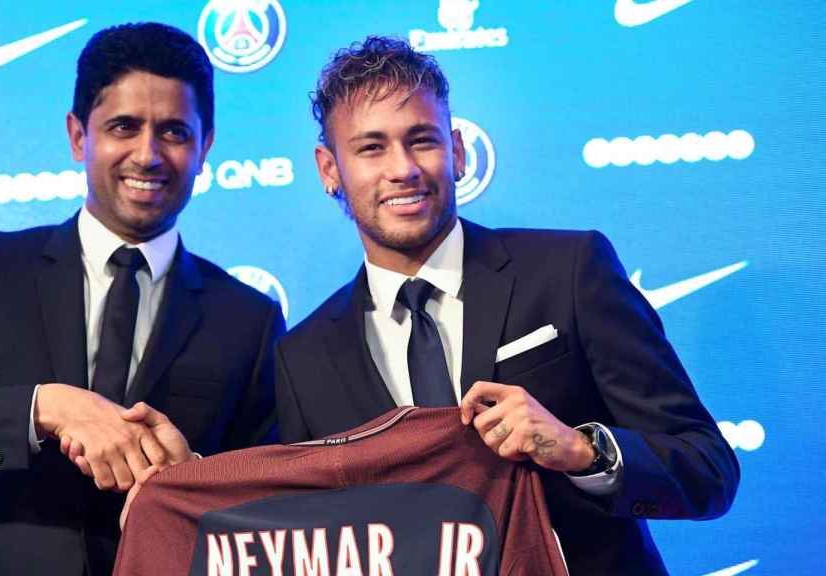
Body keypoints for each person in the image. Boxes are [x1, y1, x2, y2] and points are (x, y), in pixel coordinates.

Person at [0, 22, 284, 576]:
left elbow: (272, 513)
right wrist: (43, 407)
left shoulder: (249, 318)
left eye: (173, 132)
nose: (148, 154)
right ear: (78, 135)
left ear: (205, 145)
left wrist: (194, 477)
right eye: (123, 126)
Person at [274, 36, 739, 575]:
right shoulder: (303, 356)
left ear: (458, 151)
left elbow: (707, 468)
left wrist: (580, 450)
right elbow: (313, 539)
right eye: (371, 148)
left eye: (421, 140)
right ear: (330, 169)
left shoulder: (569, 270)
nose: (403, 168)